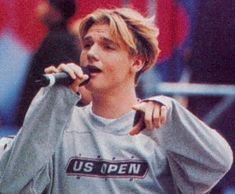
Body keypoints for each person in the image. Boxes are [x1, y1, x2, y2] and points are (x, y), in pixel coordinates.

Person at [0, 7, 233, 194]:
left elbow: (218, 164)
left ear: (137, 62)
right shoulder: (57, 126)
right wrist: (50, 106)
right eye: (88, 44)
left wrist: (170, 113)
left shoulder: (162, 128)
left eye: (108, 47)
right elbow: (8, 183)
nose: (91, 53)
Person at [15, 0, 83, 127]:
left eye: (45, 4)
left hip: (40, 122)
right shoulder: (58, 39)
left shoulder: (56, 41)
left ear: (56, 12)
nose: (39, 7)